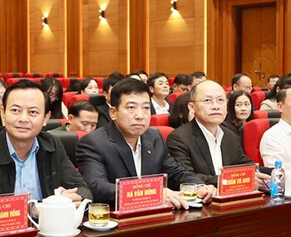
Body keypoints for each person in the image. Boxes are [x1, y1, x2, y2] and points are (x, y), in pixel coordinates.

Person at [77, 77, 212, 208]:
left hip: (155, 216)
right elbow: (98, 188)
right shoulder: (93, 143)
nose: (140, 116)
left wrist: (200, 187)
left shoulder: (154, 137)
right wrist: (152, 194)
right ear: (113, 112)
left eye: (146, 108)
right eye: (131, 107)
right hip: (117, 217)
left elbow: (176, 173)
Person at [0, 79, 91, 201]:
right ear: (4, 113)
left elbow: (83, 189)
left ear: (45, 118)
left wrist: (73, 199)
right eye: (15, 110)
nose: (23, 119)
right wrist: (39, 209)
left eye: (33, 112)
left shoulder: (52, 144)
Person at [167, 80, 257, 186]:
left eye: (220, 100)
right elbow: (186, 177)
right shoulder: (179, 138)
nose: (216, 106)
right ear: (192, 107)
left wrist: (260, 174)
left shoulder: (229, 135)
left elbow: (246, 164)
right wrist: (232, 180)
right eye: (207, 101)